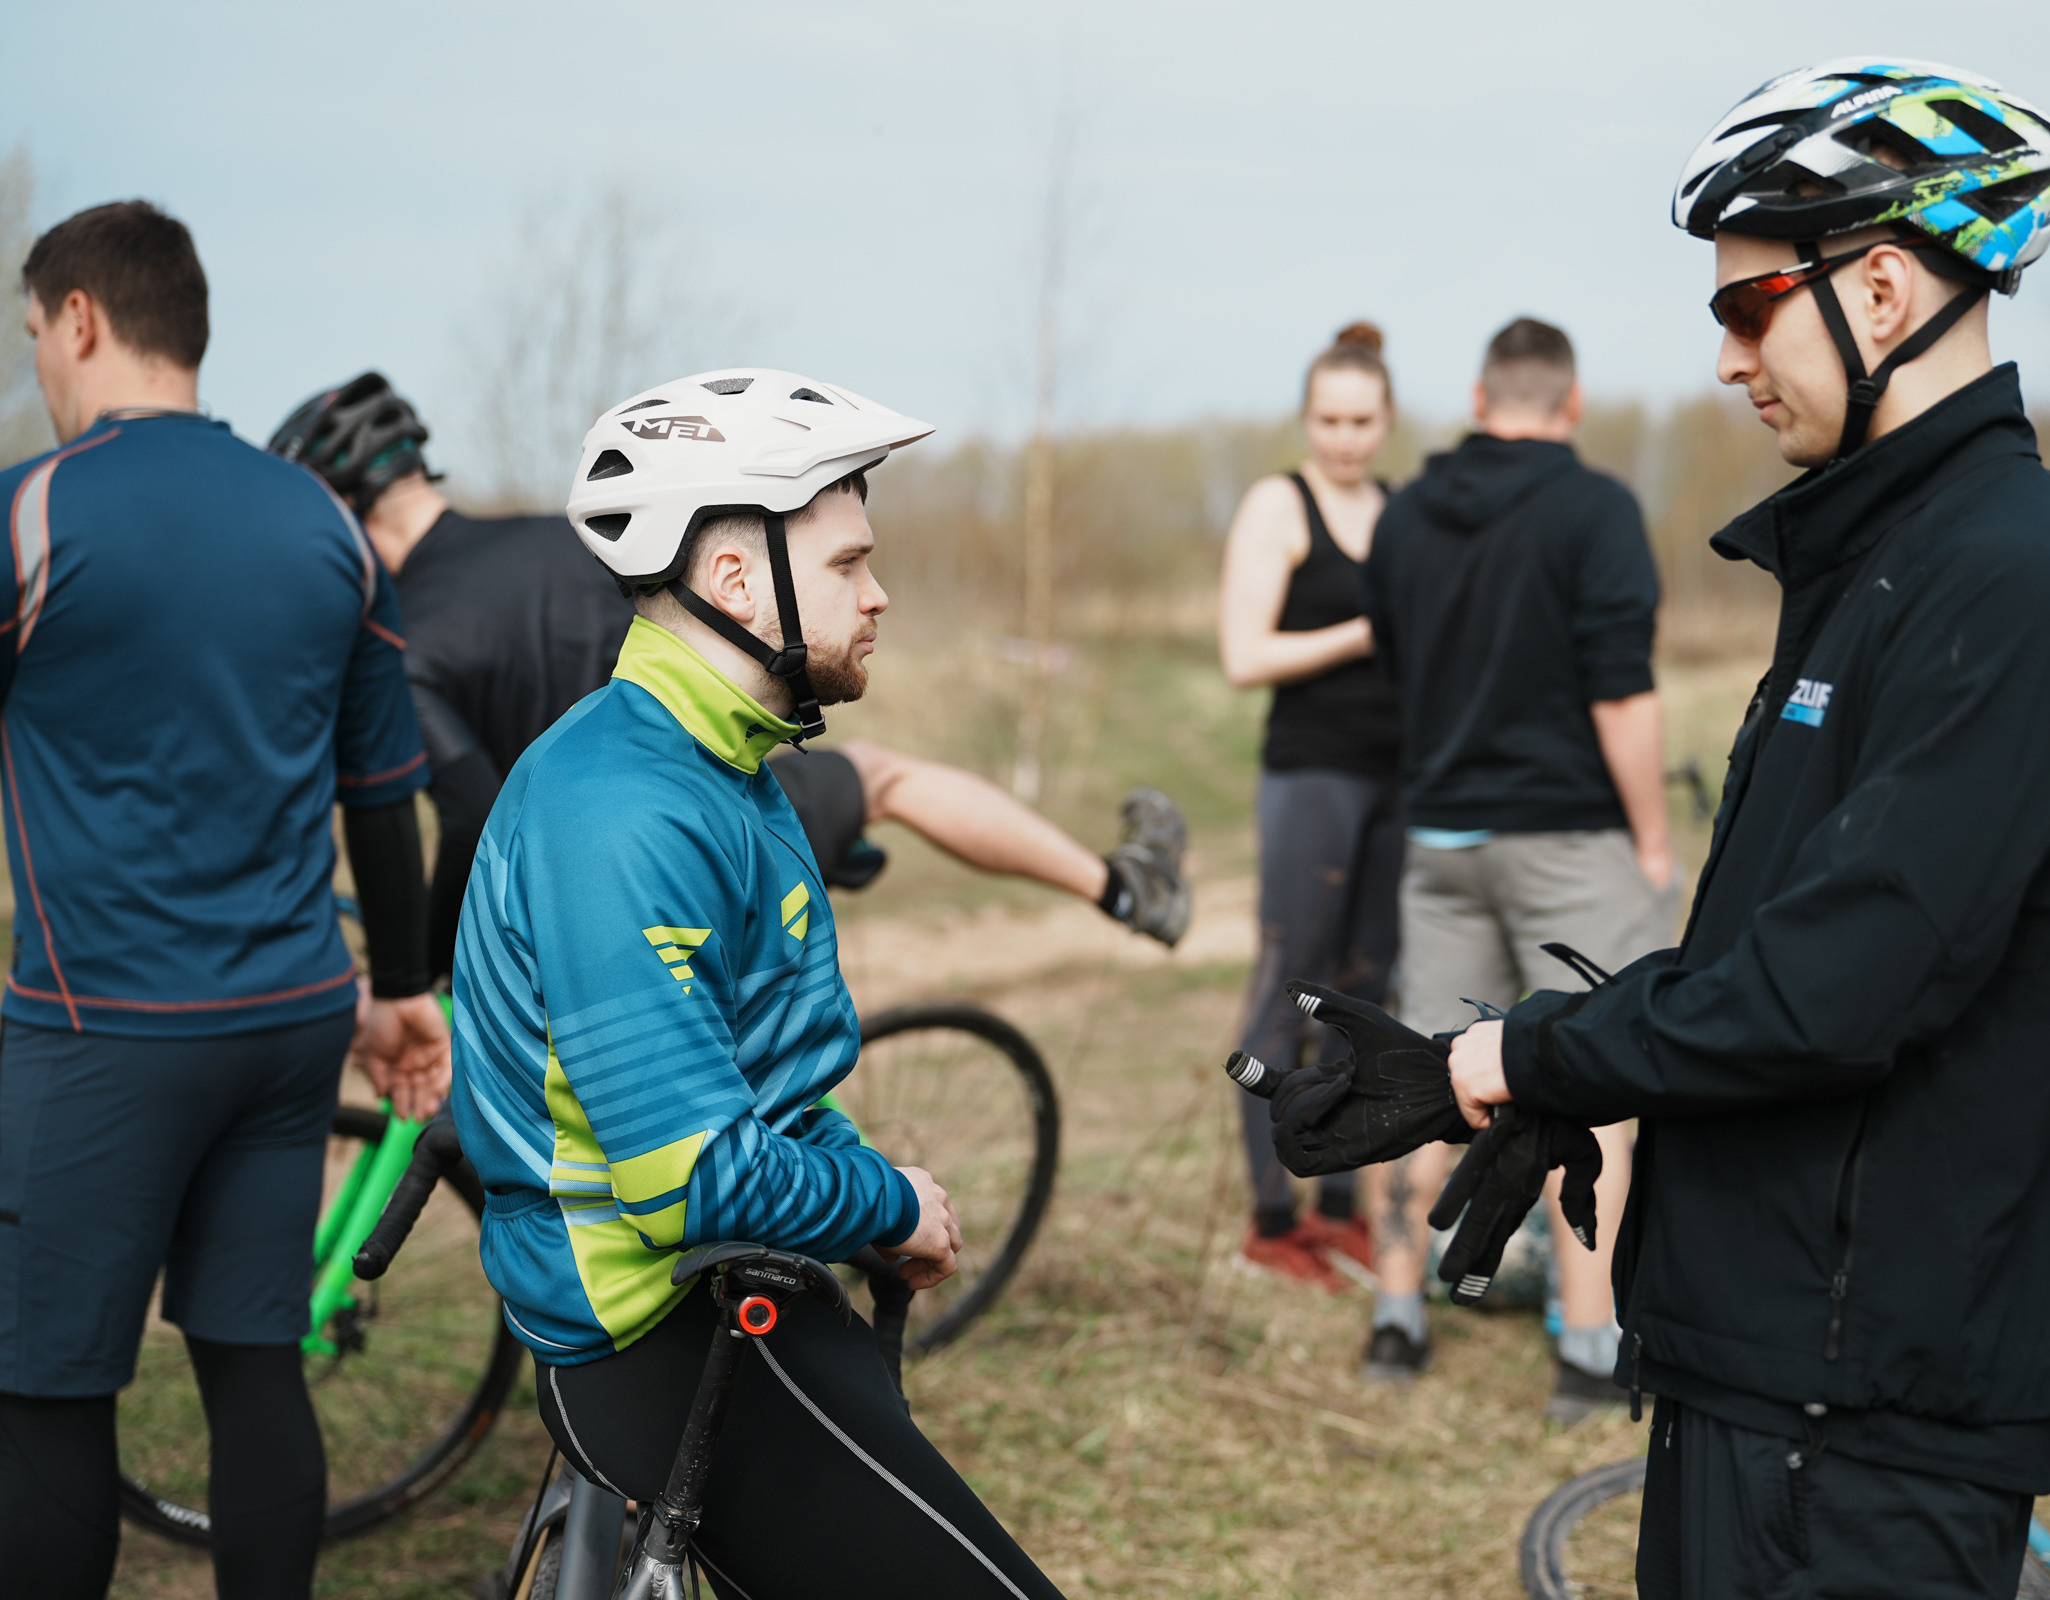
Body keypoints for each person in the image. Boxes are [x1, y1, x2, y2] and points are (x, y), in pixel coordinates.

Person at [1445, 61, 2050, 1598]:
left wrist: (1544, 1052)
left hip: (1865, 1412)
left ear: (1881, 290)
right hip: (1774, 1367)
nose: (1726, 359)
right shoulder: (1885, 562)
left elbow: (1847, 977)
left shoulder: (2007, 580)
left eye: (1746, 308)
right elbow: (1784, 938)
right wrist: (1578, 1048)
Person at [449, 368, 1061, 1599]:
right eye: (848, 565)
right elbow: (686, 1175)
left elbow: (766, 1077)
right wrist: (884, 1202)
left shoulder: (726, 769)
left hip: (722, 1284)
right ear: (736, 581)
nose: (879, 594)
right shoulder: (626, 807)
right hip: (653, 1324)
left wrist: (858, 1200)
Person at [0, 202, 445, 1600]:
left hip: (99, 1031)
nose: (38, 369)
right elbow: (384, 792)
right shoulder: (324, 523)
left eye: (33, 337)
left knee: (47, 1395)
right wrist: (406, 994)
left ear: (79, 320)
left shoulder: (33, 507)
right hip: (291, 1023)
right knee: (255, 1371)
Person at [267, 374, 1191, 977]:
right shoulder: (555, 532)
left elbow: (470, 812)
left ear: (341, 513)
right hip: (731, 779)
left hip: (630, 860)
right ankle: (1119, 886)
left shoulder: (406, 638)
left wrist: (426, 967)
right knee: (888, 778)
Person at [1359, 317, 1675, 1419]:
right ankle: (1590, 1348)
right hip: (1568, 840)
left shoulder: (1402, 517)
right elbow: (1622, 692)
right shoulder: (1597, 510)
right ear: (1571, 403)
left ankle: (1397, 1319)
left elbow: (1394, 666)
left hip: (1441, 837)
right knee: (1598, 1079)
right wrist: (1652, 839)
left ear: (1480, 396)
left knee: (1429, 1072)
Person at [1217, 322, 1405, 1291]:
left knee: (1367, 993)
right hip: (1311, 774)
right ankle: (1269, 1216)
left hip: (1396, 779)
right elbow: (1245, 655)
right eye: (1328, 419)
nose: (1344, 438)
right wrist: (1370, 628)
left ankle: (1341, 1208)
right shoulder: (1277, 505)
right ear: (1306, 418)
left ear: (1388, 419)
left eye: (1361, 420)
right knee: (1290, 985)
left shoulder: (1403, 509)